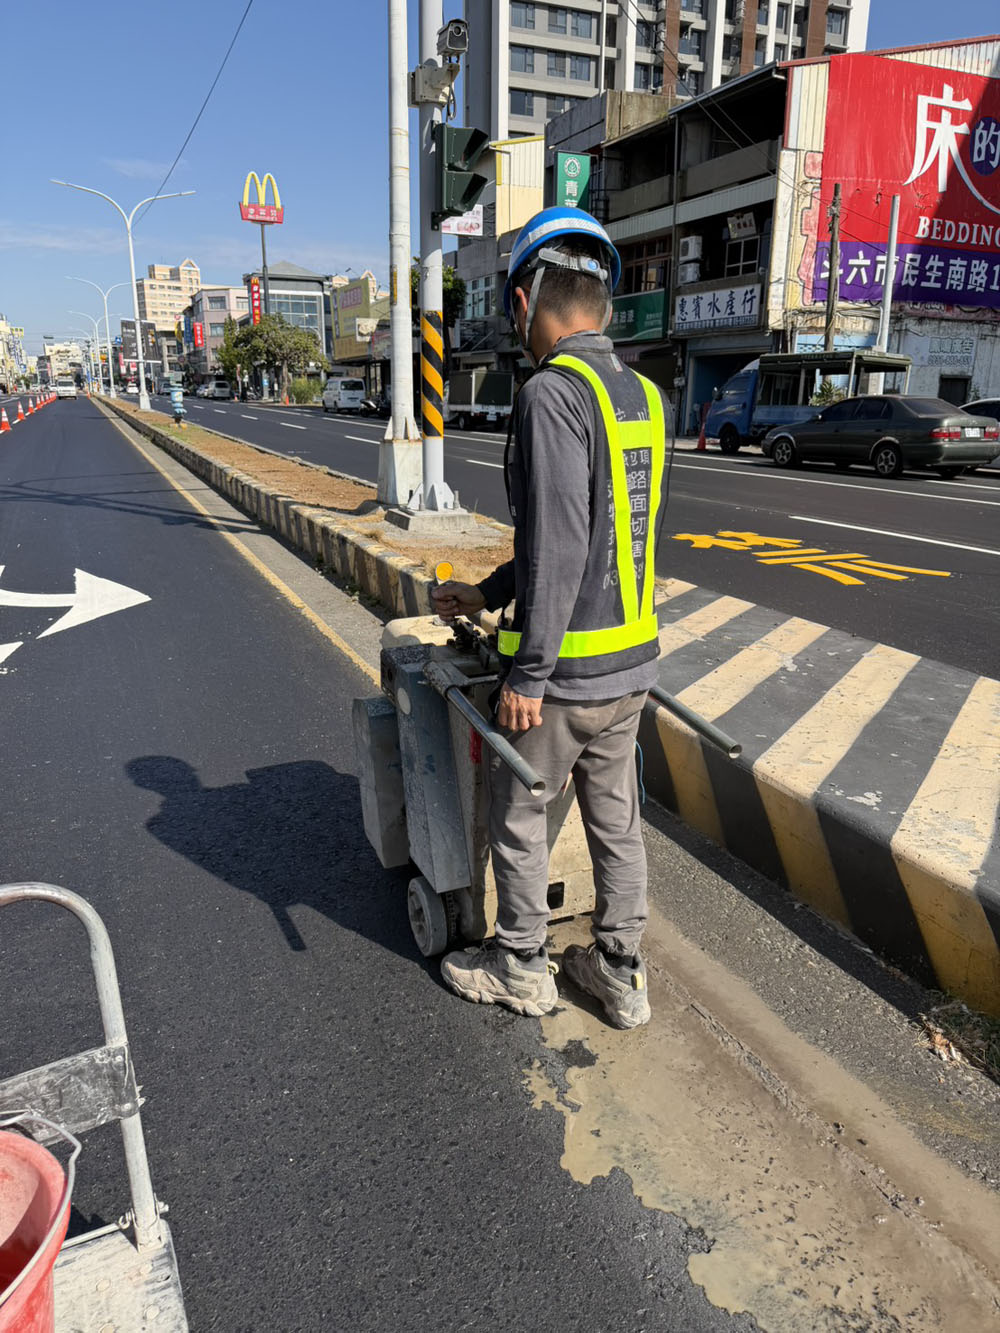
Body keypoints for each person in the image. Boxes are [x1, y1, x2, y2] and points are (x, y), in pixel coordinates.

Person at [431, 207, 667, 1030]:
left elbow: (564, 539)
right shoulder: (643, 394)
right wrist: (489, 594)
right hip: (632, 665)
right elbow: (602, 535)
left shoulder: (550, 394)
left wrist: (527, 672)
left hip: (562, 678)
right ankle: (620, 972)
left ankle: (522, 963)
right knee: (617, 822)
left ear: (525, 297)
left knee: (520, 814)